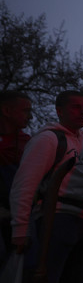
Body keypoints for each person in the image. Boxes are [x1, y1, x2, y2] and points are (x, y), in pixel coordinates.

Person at [8, 90, 83, 283]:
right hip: (53, 220)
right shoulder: (48, 140)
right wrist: (21, 228)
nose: (82, 112)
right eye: (76, 107)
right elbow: (24, 185)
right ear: (60, 110)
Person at [0, 91, 33, 265]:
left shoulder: (28, 143)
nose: (30, 116)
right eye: (25, 111)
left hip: (17, 214)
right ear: (6, 110)